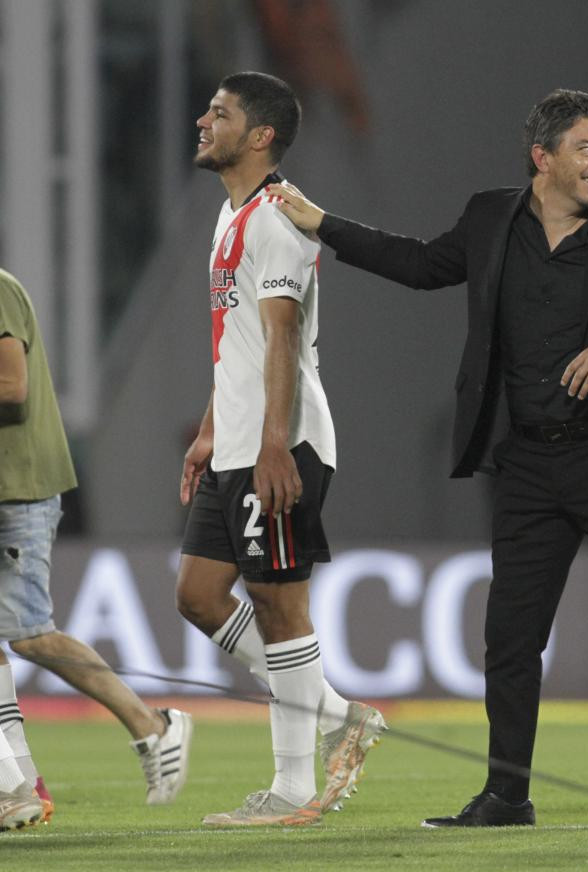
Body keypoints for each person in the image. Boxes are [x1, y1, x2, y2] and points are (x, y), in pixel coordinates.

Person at [269, 88, 588, 828]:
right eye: (586, 149)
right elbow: (421, 264)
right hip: (527, 464)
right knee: (510, 637)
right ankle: (507, 795)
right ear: (544, 157)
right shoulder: (490, 217)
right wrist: (323, 224)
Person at [178, 71, 384, 828]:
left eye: (220, 113)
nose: (203, 120)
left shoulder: (276, 219)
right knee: (197, 596)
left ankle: (293, 788)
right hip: (235, 439)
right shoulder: (229, 215)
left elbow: (283, 335)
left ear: (260, 136)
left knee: (277, 606)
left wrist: (274, 448)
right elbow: (238, 342)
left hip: (281, 441)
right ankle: (335, 710)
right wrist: (209, 429)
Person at [0, 270, 192, 830]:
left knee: (32, 634)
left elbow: (13, 388)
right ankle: (17, 784)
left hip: (18, 488)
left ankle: (151, 727)